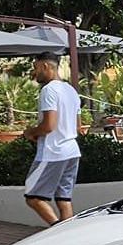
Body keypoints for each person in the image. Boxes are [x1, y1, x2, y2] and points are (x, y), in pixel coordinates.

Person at [21, 52, 82, 226]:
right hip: (72, 151)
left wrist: (30, 132)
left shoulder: (49, 90)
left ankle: (57, 231)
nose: (35, 72)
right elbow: (78, 126)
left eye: (36, 67)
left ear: (45, 66)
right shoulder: (71, 90)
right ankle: (69, 235)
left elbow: (49, 126)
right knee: (63, 199)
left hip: (53, 152)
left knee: (33, 197)